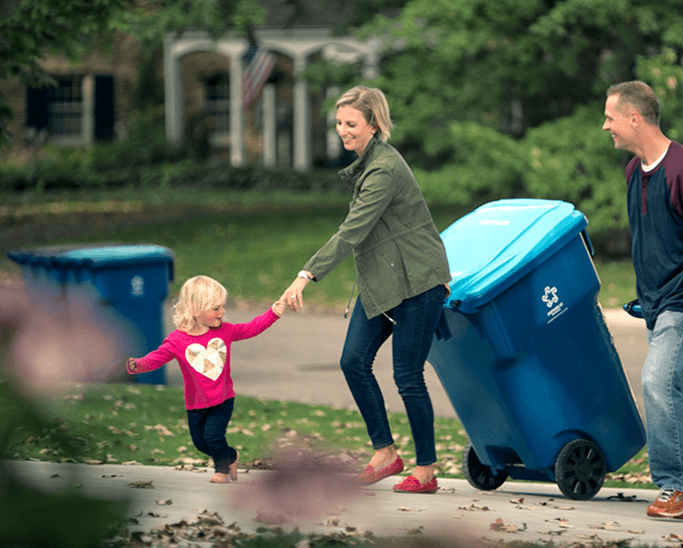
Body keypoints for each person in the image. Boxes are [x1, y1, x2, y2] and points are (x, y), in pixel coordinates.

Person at [280, 86, 451, 494]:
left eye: (351, 123)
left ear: (374, 125)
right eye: (339, 123)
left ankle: (426, 470)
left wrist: (307, 274)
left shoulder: (385, 169)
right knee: (353, 361)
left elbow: (352, 230)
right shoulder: (368, 163)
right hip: (384, 282)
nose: (342, 130)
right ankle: (385, 453)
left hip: (418, 282)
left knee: (407, 376)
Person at [602, 81, 683, 519]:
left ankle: (675, 486)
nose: (606, 127)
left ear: (635, 118)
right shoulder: (633, 171)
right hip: (658, 303)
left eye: (611, 118)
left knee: (657, 383)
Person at [126, 275, 286, 484]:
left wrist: (272, 313)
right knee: (201, 443)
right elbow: (157, 358)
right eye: (216, 308)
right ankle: (231, 456)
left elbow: (252, 327)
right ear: (195, 309)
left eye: (222, 307)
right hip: (195, 403)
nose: (223, 312)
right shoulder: (177, 340)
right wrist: (138, 365)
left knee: (213, 436)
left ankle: (222, 471)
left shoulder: (225, 332)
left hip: (222, 399)